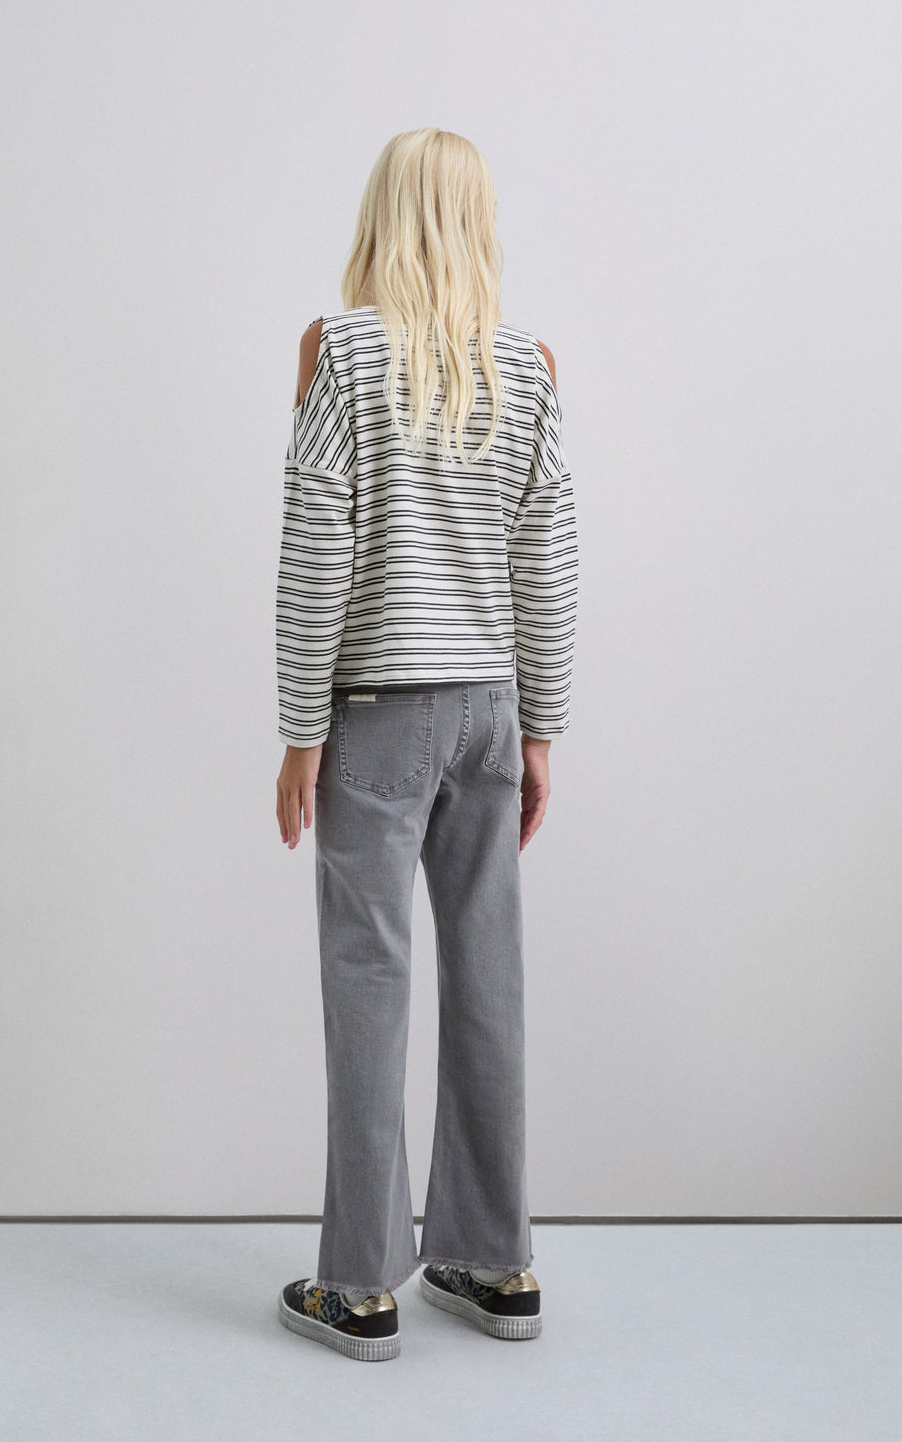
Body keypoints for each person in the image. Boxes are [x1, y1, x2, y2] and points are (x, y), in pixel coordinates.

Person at [274, 128, 579, 1361]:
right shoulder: (529, 364)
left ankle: (360, 1283)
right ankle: (496, 1262)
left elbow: (317, 546)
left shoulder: (337, 349)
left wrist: (299, 732)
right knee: (489, 971)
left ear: (382, 215)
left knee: (369, 976)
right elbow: (546, 560)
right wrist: (541, 728)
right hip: (489, 709)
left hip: (379, 709)